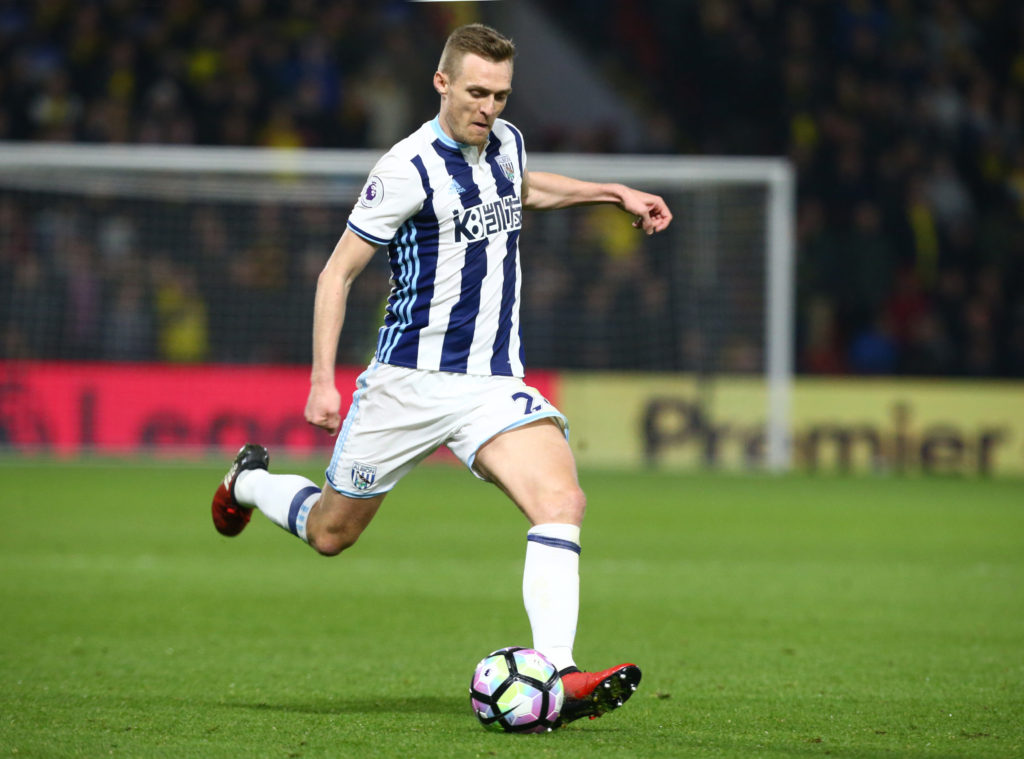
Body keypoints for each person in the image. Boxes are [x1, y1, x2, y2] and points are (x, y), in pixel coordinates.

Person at [211, 23, 672, 726]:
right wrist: (320, 379)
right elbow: (337, 272)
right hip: (406, 384)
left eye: (501, 95)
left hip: (491, 384)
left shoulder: (508, 143)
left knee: (562, 501)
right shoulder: (405, 168)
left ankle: (560, 671)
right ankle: (246, 480)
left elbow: (522, 189)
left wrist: (611, 192)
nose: (489, 108)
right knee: (333, 532)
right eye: (477, 92)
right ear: (443, 83)